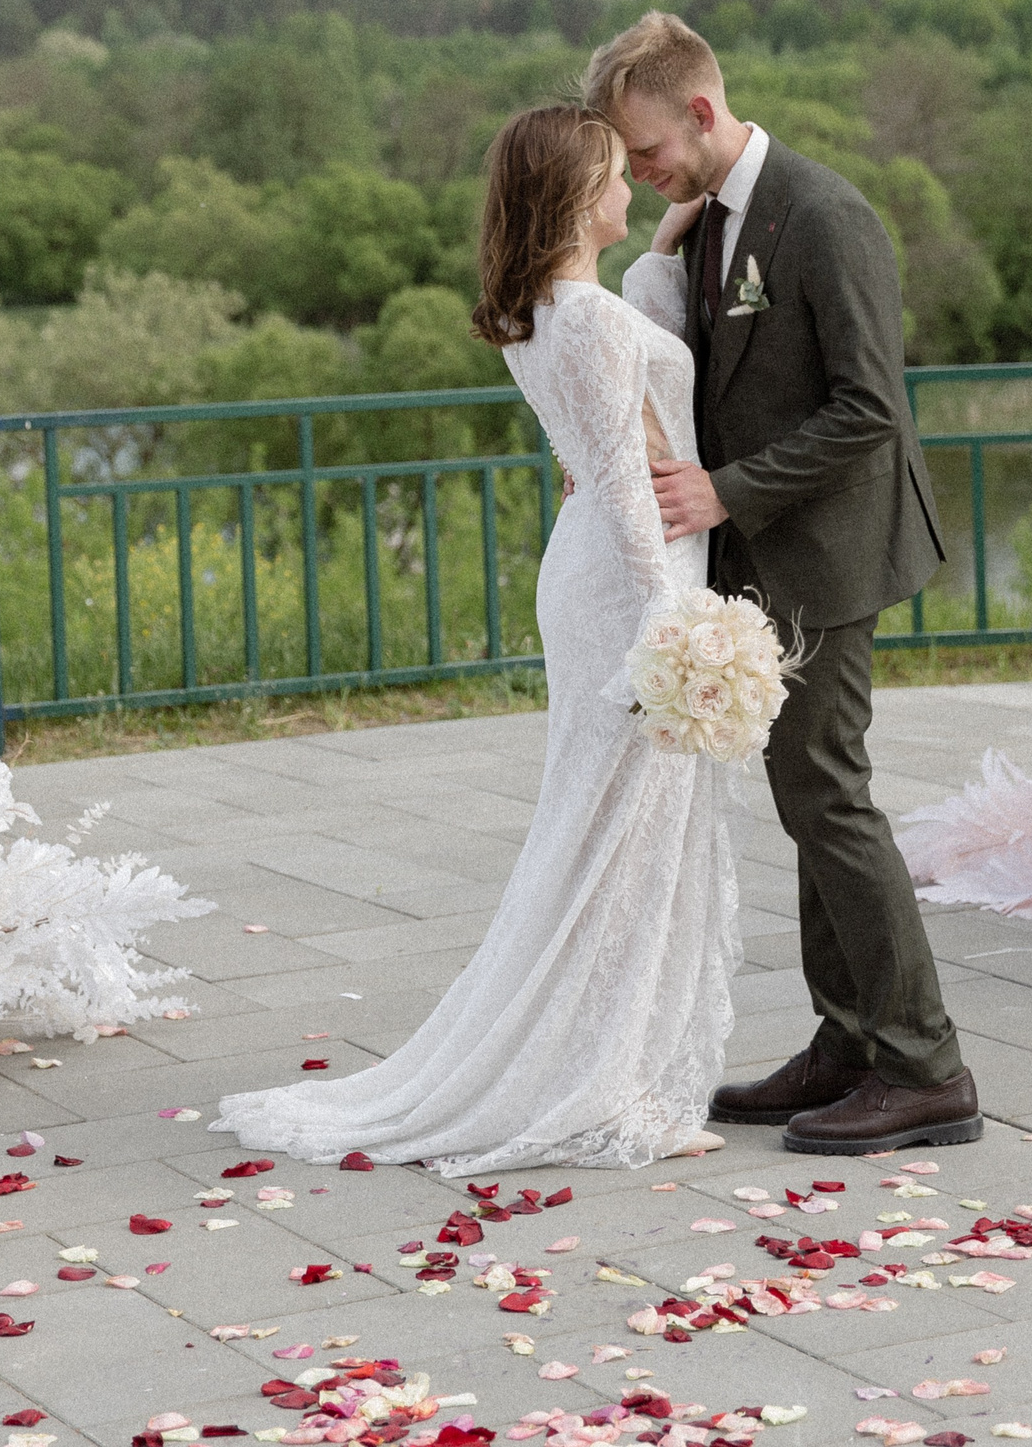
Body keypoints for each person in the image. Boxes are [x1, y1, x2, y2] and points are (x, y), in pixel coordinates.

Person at [211, 105, 737, 1174]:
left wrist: (666, 259)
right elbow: (629, 481)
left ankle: (607, 1070)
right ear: (576, 192)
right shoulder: (580, 320)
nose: (629, 189)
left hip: (598, 564)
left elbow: (625, 393)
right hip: (626, 579)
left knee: (615, 836)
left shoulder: (559, 308)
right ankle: (602, 1092)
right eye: (612, 175)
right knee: (616, 847)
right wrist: (668, 616)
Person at [590, 10, 978, 1156]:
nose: (637, 169)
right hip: (766, 556)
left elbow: (870, 410)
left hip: (828, 551)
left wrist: (726, 493)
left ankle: (925, 1065)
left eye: (645, 147)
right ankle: (846, 1041)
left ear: (700, 112)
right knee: (805, 796)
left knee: (829, 795)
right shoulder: (706, 220)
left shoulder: (824, 215)